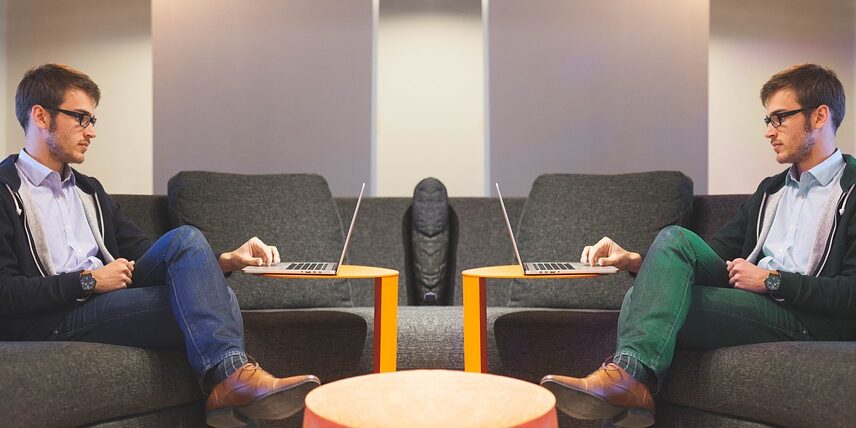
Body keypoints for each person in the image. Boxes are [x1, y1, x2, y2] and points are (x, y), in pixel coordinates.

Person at [0, 63, 319, 427]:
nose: (91, 131)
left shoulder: (89, 190)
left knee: (187, 241)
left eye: (93, 120)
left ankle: (230, 383)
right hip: (52, 318)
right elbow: (5, 292)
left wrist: (223, 261)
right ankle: (232, 383)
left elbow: (150, 254)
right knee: (219, 302)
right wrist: (89, 281)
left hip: (105, 301)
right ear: (40, 116)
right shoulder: (6, 190)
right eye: (81, 118)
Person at [540, 63, 856, 428]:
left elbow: (851, 293)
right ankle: (630, 386)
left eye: (779, 118)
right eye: (767, 120)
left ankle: (629, 386)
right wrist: (637, 261)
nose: (769, 131)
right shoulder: (771, 191)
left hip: (808, 319)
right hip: (755, 301)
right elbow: (709, 254)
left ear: (819, 116)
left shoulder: (850, 190)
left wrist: (771, 281)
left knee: (643, 302)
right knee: (672, 241)